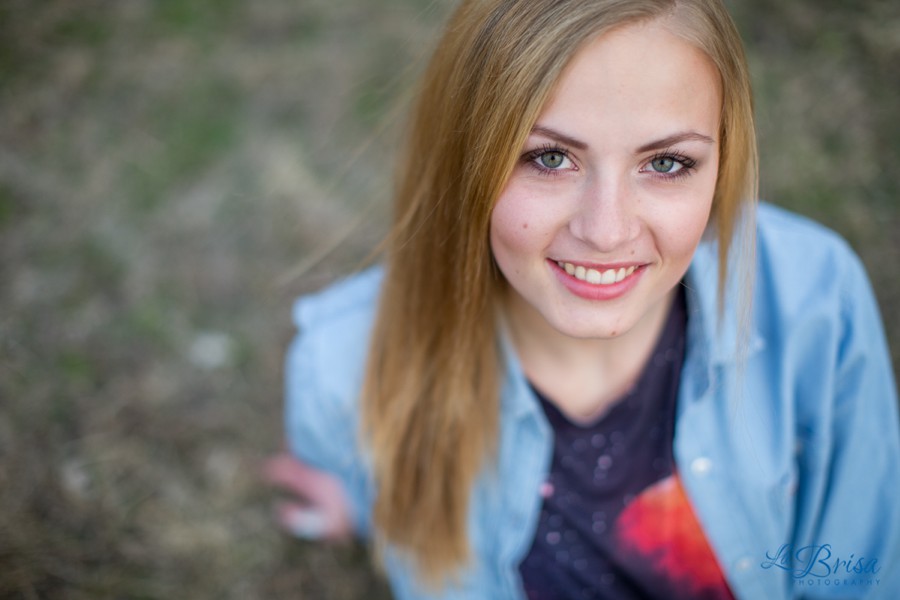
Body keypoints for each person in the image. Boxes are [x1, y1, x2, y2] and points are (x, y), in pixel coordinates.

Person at [266, 0, 900, 598]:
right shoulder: (345, 370)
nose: (606, 231)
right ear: (465, 159)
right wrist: (362, 503)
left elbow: (862, 570)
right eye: (549, 157)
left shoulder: (815, 300)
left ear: (723, 164)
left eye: (667, 163)